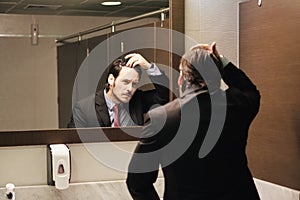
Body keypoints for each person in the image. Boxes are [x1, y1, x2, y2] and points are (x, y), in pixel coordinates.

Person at [126, 42, 261, 200]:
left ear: (181, 80)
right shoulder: (238, 106)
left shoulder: (161, 119)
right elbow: (249, 89)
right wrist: (221, 60)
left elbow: (137, 183)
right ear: (218, 76)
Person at [67, 53, 169, 128]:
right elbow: (74, 143)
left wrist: (149, 67)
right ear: (111, 79)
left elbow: (164, 95)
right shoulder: (84, 109)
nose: (129, 89)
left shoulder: (137, 100)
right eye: (125, 82)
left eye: (134, 84)